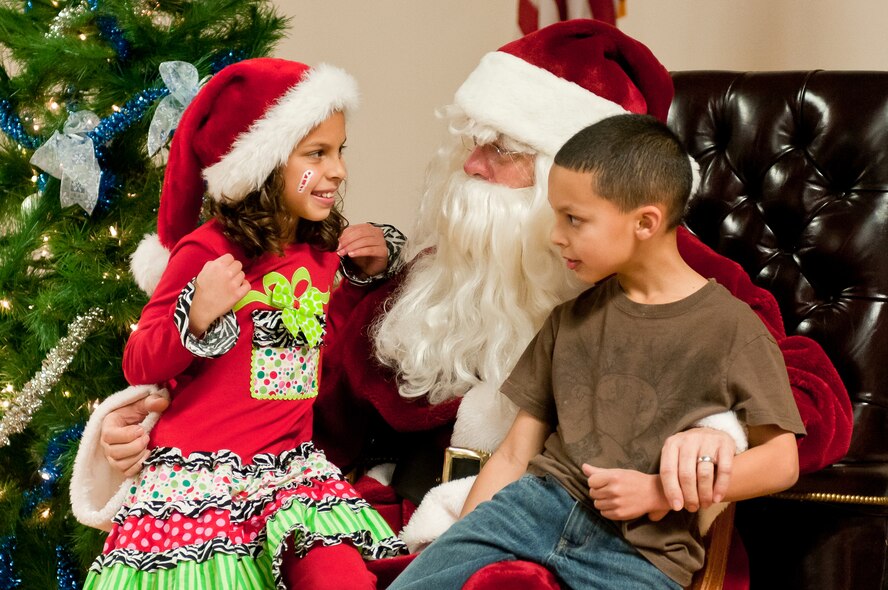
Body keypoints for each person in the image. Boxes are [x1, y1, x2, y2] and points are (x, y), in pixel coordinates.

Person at [76, 20, 850, 584]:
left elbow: (811, 397)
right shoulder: (423, 271)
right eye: (472, 140)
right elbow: (301, 399)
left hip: (601, 543)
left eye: (503, 151)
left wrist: (712, 433)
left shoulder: (669, 272)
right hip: (416, 523)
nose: (472, 168)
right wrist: (154, 416)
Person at [388, 113, 806, 590]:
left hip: (643, 549)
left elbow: (781, 461)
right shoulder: (571, 317)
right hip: (530, 508)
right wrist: (461, 539)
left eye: (574, 220)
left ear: (645, 222)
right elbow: (512, 455)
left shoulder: (732, 328)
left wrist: (657, 491)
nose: (555, 235)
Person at [77, 58, 406, 590]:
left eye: (338, 151)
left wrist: (366, 280)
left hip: (290, 477)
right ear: (264, 163)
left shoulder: (320, 255)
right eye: (316, 154)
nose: (338, 171)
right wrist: (198, 312)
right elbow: (139, 359)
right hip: (201, 485)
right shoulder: (205, 251)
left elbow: (320, 352)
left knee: (342, 578)